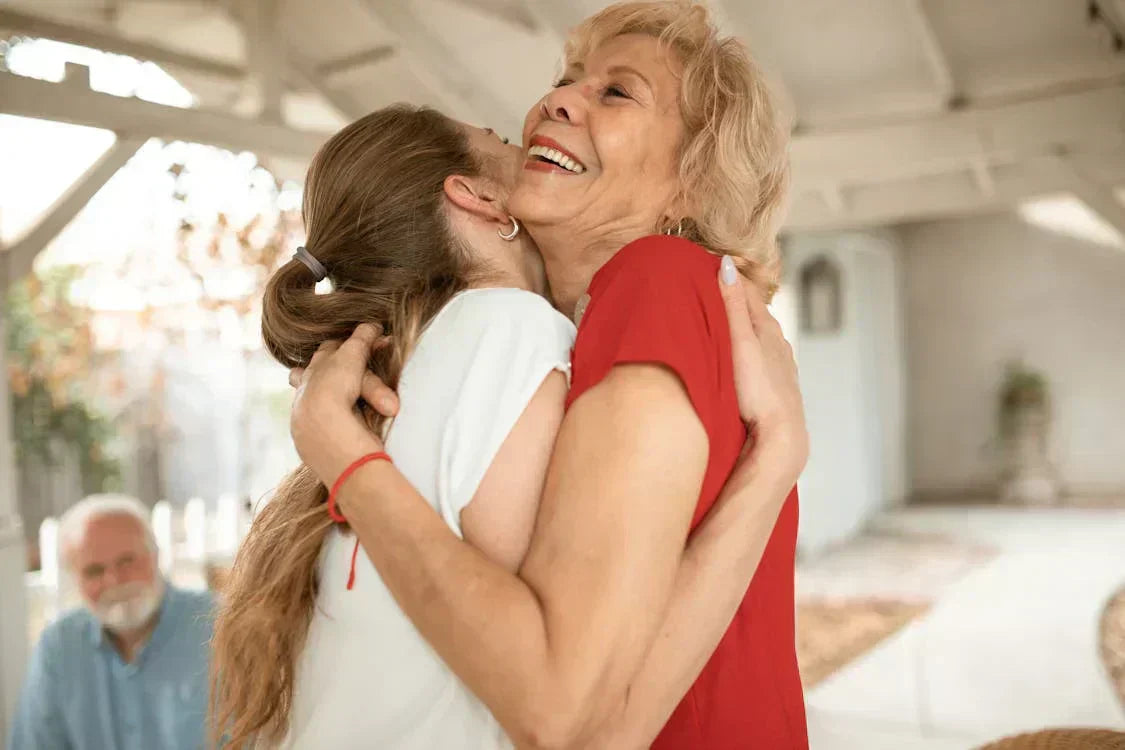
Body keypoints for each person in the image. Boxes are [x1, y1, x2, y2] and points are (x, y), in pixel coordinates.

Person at [286, 2, 808, 749]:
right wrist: (774, 468)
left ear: (691, 182)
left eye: (616, 92)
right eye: (566, 80)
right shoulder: (579, 335)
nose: (556, 100)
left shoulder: (654, 282)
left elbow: (560, 716)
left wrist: (344, 459)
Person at [9, 494, 215, 750]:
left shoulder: (221, 625)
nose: (115, 581)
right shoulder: (59, 647)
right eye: (94, 571)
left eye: (127, 561)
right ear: (75, 578)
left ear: (156, 554)